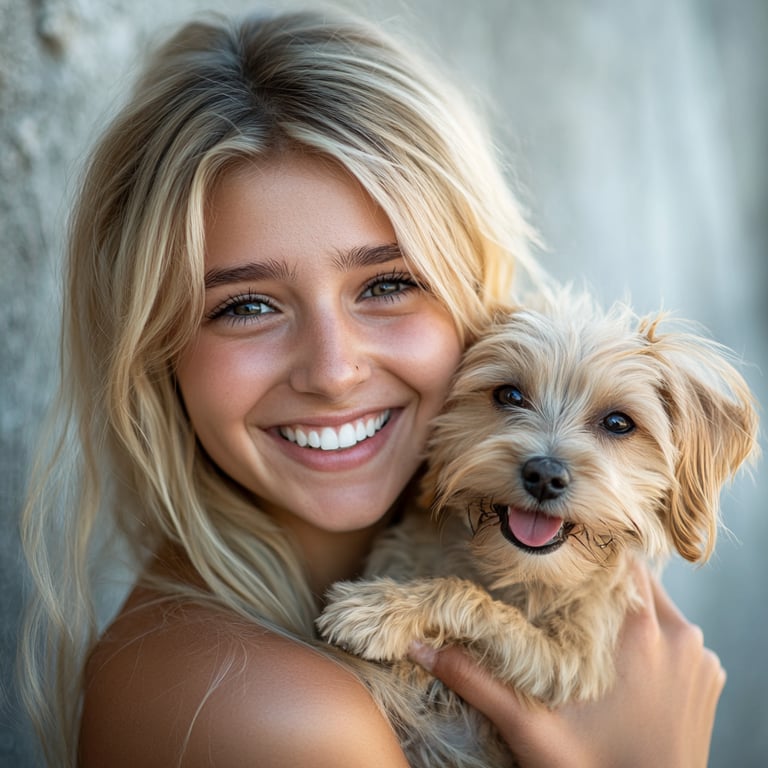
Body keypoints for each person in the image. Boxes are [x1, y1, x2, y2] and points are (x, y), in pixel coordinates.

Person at [20, 8, 724, 767]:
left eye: (388, 284)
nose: (332, 370)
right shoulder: (271, 718)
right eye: (246, 305)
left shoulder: (499, 554)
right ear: (151, 346)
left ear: (479, 305)